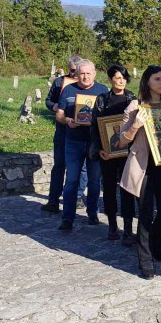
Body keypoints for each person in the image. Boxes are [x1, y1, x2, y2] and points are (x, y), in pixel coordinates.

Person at [119, 66, 161, 279]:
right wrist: (136, 125)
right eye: (157, 79)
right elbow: (121, 140)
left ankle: (155, 242)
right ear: (147, 81)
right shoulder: (135, 106)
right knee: (145, 213)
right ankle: (145, 260)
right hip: (143, 167)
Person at [55, 60, 108, 231]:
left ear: (94, 74)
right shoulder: (68, 90)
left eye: (88, 73)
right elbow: (59, 114)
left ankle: (92, 213)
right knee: (71, 180)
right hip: (73, 141)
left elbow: (108, 116)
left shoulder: (103, 90)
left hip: (95, 142)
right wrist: (67, 120)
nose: (85, 77)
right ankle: (67, 218)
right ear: (77, 74)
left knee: (94, 181)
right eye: (82, 73)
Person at [90, 65, 136, 244]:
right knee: (109, 189)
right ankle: (112, 225)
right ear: (110, 80)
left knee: (127, 190)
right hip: (107, 153)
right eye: (117, 78)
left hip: (127, 153)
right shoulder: (102, 100)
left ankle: (128, 229)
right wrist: (98, 149)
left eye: (123, 78)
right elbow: (95, 126)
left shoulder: (132, 98)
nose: (121, 81)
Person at [42, 55, 81, 212]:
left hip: (81, 132)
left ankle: (77, 197)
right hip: (62, 131)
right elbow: (48, 101)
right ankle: (53, 200)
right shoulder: (59, 82)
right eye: (71, 70)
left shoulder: (87, 84)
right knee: (59, 165)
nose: (74, 74)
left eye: (76, 71)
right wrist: (54, 107)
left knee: (80, 167)